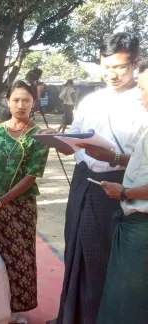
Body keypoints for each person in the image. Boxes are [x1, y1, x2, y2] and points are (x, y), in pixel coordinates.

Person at [50, 32, 146, 324]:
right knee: (76, 246)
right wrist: (58, 142)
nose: (112, 74)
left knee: (103, 257)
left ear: (136, 63)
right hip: (83, 180)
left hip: (119, 186)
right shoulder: (91, 99)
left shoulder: (143, 100)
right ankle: (70, 316)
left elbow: (143, 160)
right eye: (106, 67)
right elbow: (75, 142)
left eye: (119, 67)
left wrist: (114, 159)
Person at [0, 79, 49, 323]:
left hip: (19, 208)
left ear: (33, 103)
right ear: (7, 102)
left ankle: (13, 311)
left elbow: (31, 176)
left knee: (18, 258)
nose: (21, 105)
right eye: (16, 100)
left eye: (27, 100)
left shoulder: (39, 136)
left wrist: (0, 202)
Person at [94, 59, 148, 323]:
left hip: (143, 226)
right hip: (133, 225)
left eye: (143, 88)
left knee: (129, 302)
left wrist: (125, 193)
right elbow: (139, 160)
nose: (139, 96)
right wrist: (111, 157)